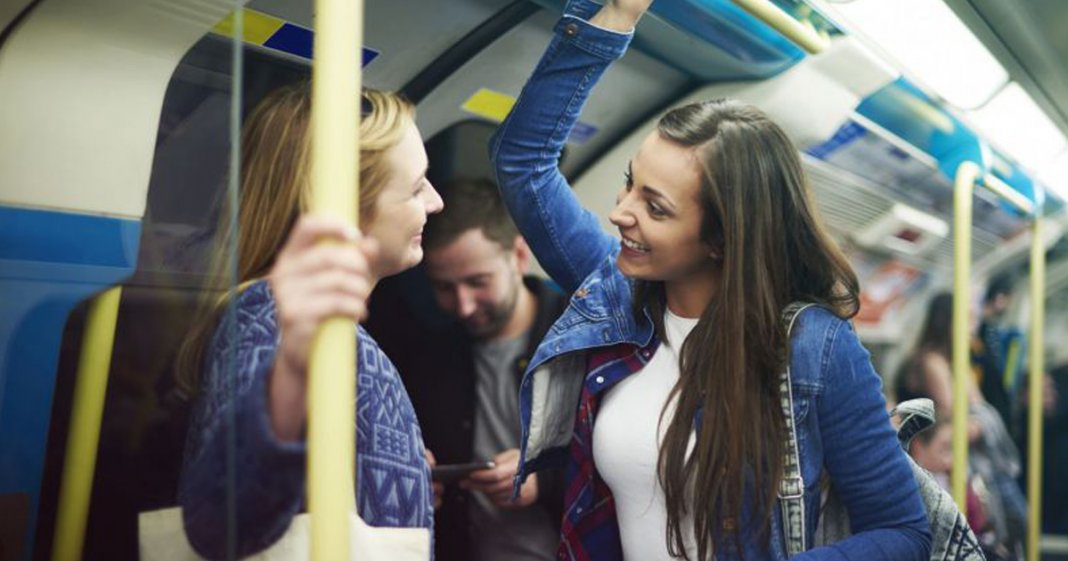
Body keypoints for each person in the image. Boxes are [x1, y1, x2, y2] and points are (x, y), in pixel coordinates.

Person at [489, 1, 931, 559]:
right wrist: (617, 16)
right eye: (629, 185)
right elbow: (522, 162)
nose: (621, 212)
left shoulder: (815, 349)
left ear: (723, 239)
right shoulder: (614, 297)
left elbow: (902, 532)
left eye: (656, 207)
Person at [176, 82, 444, 559]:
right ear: (346, 208)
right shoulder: (269, 319)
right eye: (416, 187)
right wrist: (291, 377)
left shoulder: (333, 330)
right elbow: (224, 522)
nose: (435, 202)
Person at [368, 178, 568, 561]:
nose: (462, 306)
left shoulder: (579, 338)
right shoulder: (430, 357)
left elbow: (632, 463)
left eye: (478, 283)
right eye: (444, 287)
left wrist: (545, 480)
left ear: (519, 257)